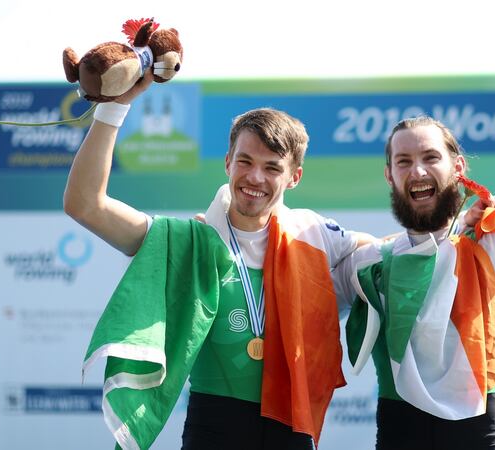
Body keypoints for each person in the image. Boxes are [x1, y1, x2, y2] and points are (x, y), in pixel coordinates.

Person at [65, 71, 375, 450]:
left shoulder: (316, 235)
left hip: (293, 427)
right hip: (214, 427)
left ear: (294, 177)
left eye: (272, 167)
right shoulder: (188, 242)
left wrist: (463, 229)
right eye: (245, 161)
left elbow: (388, 251)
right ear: (227, 162)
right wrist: (114, 108)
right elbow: (85, 205)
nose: (255, 177)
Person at [333, 29, 495, 450]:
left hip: (479, 430)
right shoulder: (367, 261)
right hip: (399, 429)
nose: (417, 171)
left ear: (458, 167)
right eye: (404, 161)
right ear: (390, 176)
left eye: (430, 157)